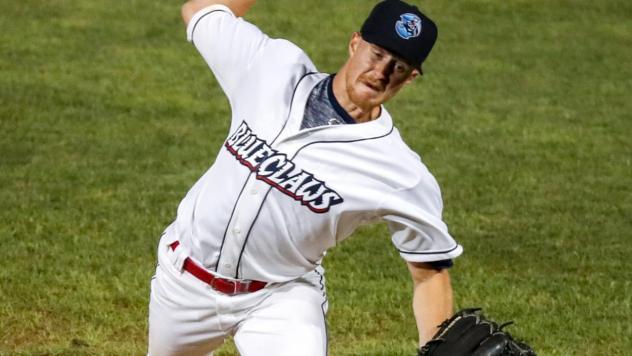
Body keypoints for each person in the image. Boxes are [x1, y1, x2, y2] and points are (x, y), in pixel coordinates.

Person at [148, 0, 463, 355]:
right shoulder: (272, 66)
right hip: (182, 281)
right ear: (355, 43)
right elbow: (200, 11)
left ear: (411, 77)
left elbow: (429, 273)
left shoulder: (400, 172)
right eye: (376, 54)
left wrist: (436, 348)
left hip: (278, 299)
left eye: (399, 66)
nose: (381, 72)